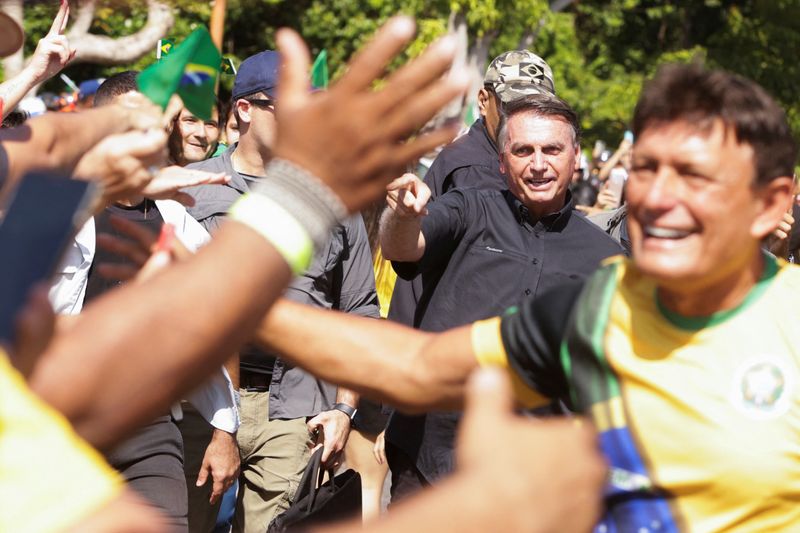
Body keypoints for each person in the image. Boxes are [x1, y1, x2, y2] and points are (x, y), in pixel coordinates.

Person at [251, 62, 800, 532]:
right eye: (648, 169)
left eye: (694, 176)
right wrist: (232, 297)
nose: (658, 197)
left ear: (772, 205)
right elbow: (416, 364)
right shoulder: (610, 298)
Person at [379, 94, 622, 498]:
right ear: (502, 160)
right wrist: (402, 216)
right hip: (431, 460)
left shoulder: (606, 258)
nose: (539, 164)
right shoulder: (469, 208)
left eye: (552, 150)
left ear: (575, 156)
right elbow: (403, 247)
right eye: (524, 150)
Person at [185, 50, 380, 532]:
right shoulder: (192, 192)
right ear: (245, 110)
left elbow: (359, 312)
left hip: (294, 416)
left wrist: (344, 408)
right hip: (201, 403)